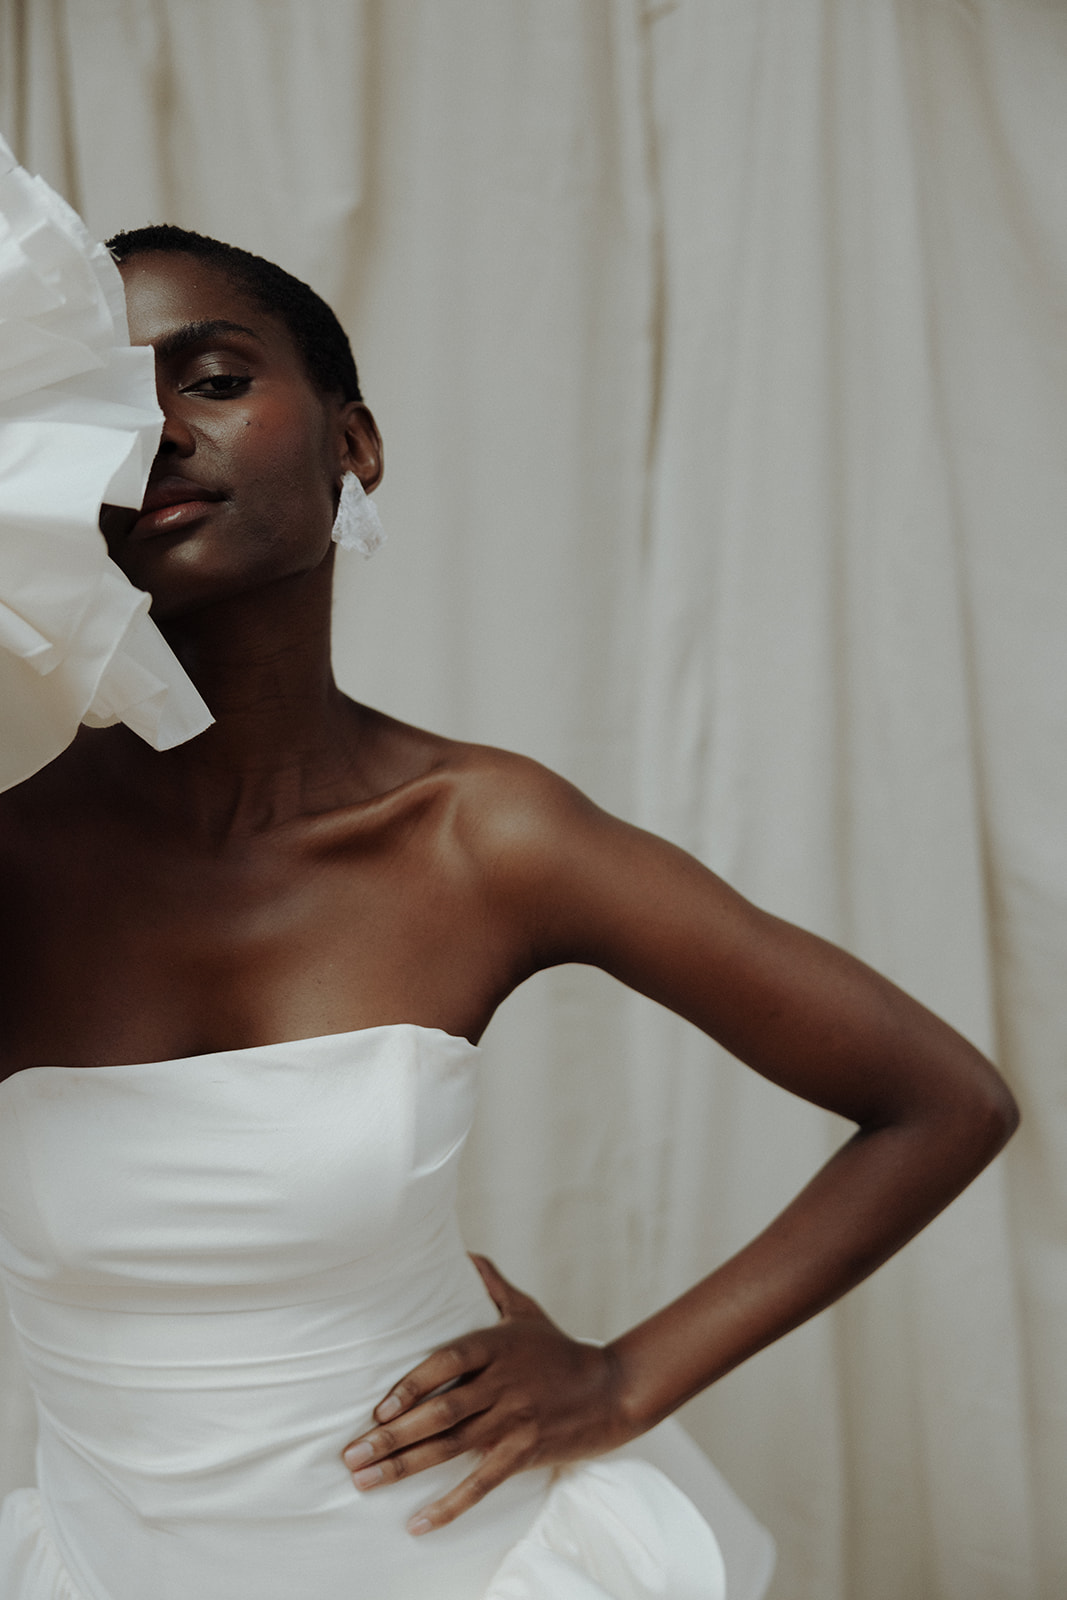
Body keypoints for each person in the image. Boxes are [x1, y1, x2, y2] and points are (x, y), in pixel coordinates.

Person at [0, 178, 1018, 1600]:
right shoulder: (13, 863)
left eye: (216, 379)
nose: (159, 427)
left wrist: (619, 1378)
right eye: (99, 401)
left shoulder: (481, 836)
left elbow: (945, 1102)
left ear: (353, 446)